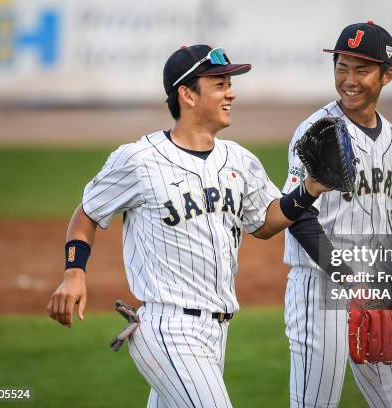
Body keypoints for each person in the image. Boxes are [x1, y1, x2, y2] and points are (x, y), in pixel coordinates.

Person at [46, 44, 332, 407]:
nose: (231, 92)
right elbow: (87, 212)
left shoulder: (240, 160)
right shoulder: (139, 160)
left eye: (229, 83)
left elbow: (265, 222)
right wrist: (74, 273)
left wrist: (308, 190)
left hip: (218, 331)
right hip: (167, 329)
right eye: (219, 83)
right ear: (187, 94)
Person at [282, 22, 392, 407]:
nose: (349, 80)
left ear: (386, 75)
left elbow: (383, 217)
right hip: (319, 287)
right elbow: (297, 215)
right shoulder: (318, 130)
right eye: (342, 68)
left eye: (361, 70)